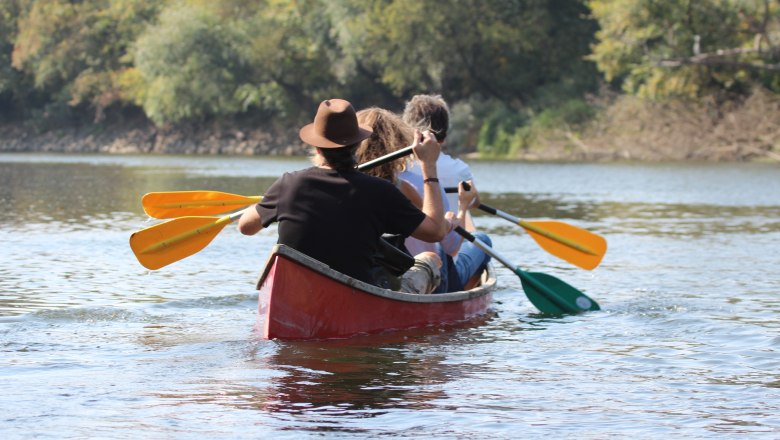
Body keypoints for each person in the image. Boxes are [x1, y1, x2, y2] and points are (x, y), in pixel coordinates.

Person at [238, 99, 448, 294]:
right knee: (430, 261)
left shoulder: (289, 184)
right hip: (355, 297)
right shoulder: (381, 191)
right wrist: (429, 166)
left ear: (316, 147)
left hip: (295, 293)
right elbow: (436, 231)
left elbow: (245, 227)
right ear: (357, 145)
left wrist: (271, 201)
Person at [354, 106, 479, 294]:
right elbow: (445, 239)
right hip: (406, 279)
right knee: (475, 242)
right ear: (396, 145)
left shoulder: (341, 184)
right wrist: (459, 212)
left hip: (371, 275)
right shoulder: (400, 188)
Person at [400, 94, 492, 293]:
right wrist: (464, 206)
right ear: (445, 134)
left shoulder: (400, 170)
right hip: (444, 260)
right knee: (482, 239)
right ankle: (464, 287)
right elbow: (475, 202)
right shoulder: (460, 169)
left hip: (407, 261)